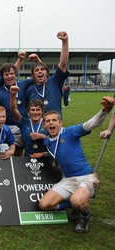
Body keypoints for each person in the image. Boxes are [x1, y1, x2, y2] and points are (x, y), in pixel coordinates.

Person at [38, 96, 114, 233]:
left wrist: (105, 110)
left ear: (61, 123)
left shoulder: (71, 132)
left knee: (77, 201)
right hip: (67, 180)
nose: (51, 123)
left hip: (87, 177)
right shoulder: (47, 142)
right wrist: (43, 154)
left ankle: (84, 217)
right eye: (48, 121)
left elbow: (91, 124)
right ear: (44, 125)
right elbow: (58, 151)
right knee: (44, 204)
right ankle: (74, 204)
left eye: (54, 120)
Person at [25, 31, 69, 116]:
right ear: (33, 75)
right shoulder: (29, 90)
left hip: (55, 125)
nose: (40, 71)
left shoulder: (54, 82)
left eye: (42, 69)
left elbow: (63, 63)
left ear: (47, 73)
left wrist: (65, 41)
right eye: (37, 70)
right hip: (37, 127)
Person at [9, 85, 48, 157]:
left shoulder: (48, 123)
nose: (35, 112)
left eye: (38, 110)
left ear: (42, 111)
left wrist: (43, 136)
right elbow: (13, 109)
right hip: (27, 159)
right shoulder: (24, 123)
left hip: (45, 159)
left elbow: (56, 142)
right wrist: (12, 95)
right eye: (32, 110)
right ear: (28, 112)